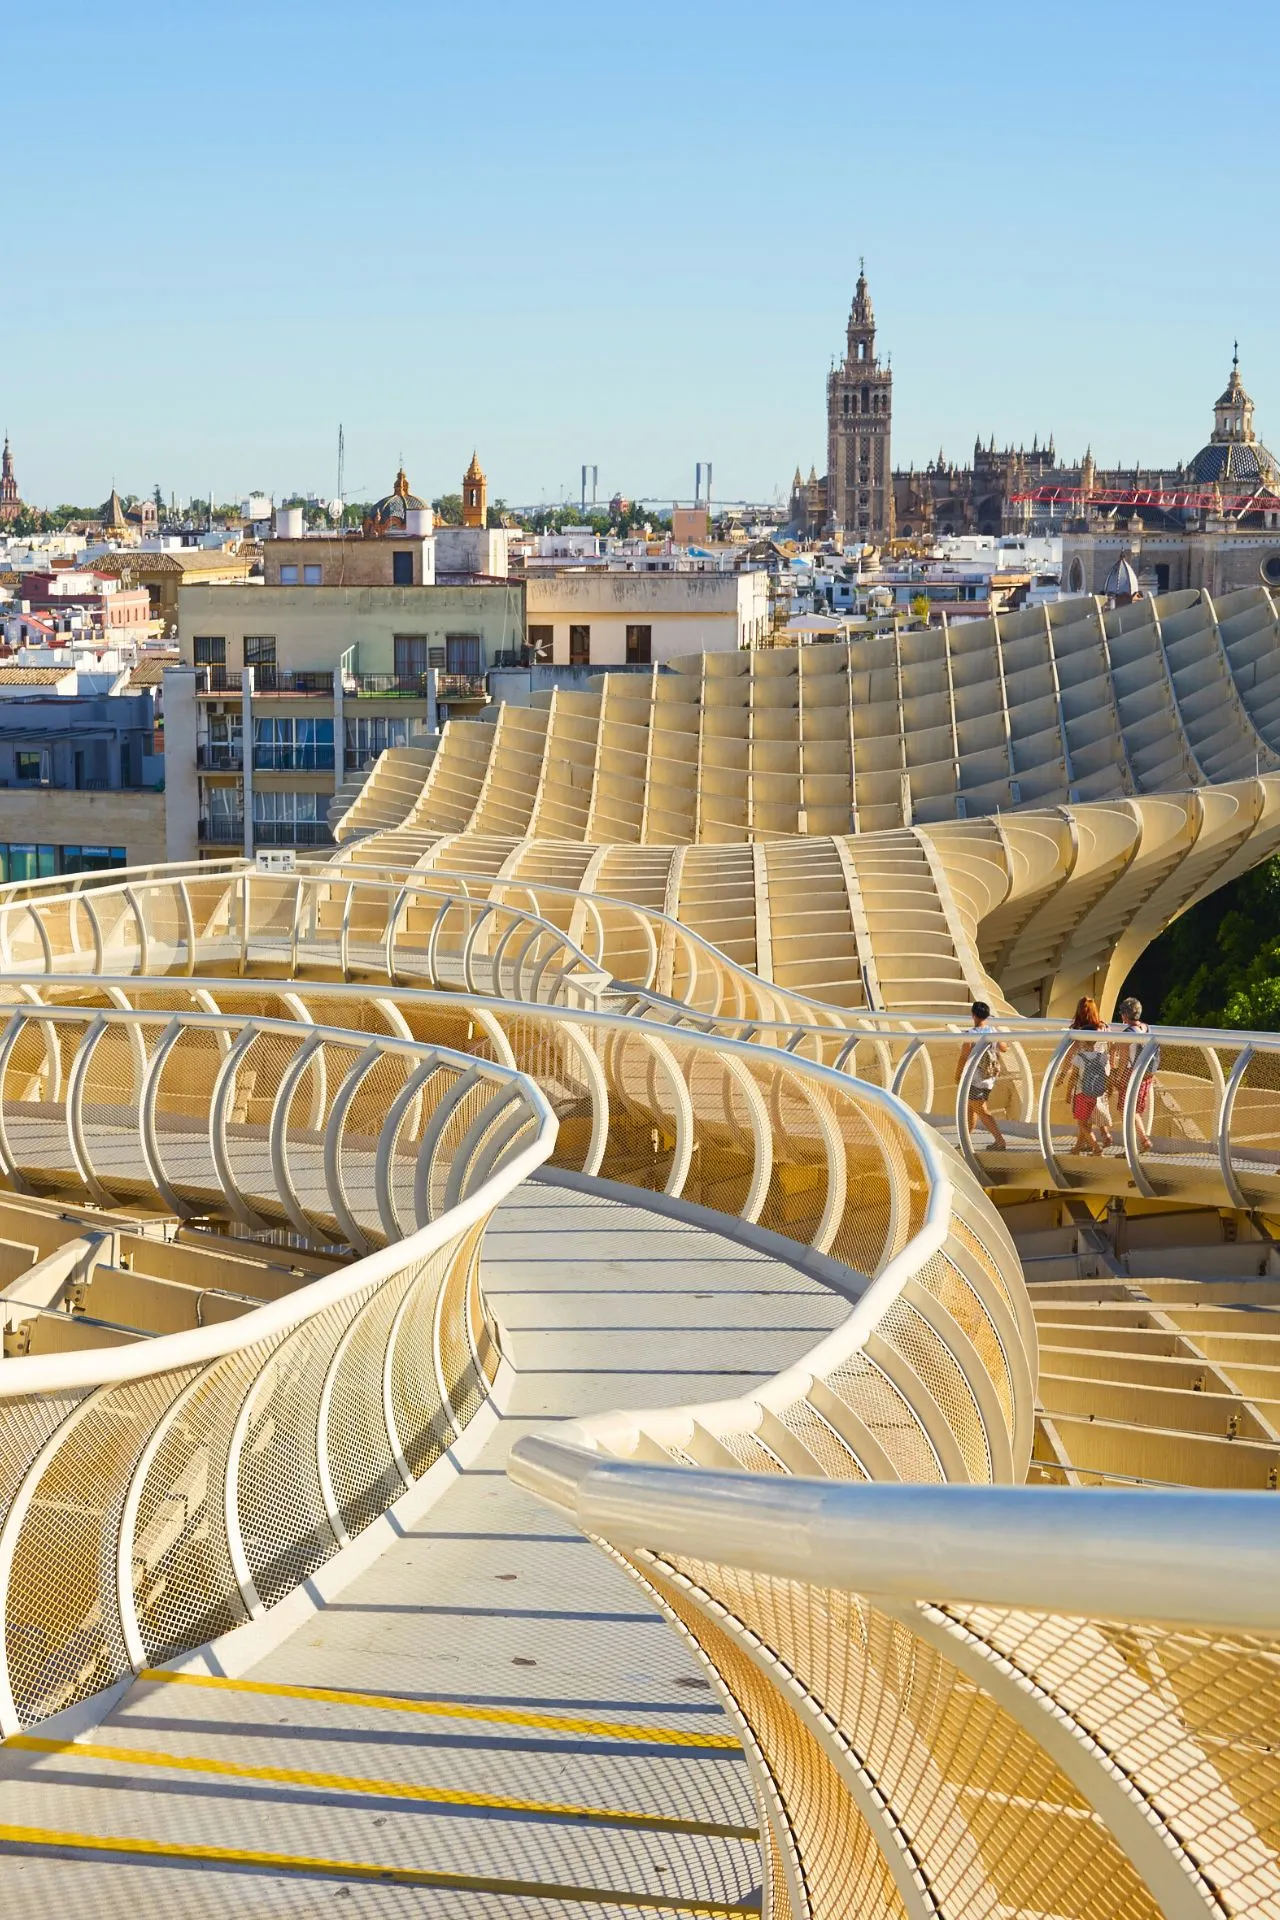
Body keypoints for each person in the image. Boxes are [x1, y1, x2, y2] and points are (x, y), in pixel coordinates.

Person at [957, 1000, 1007, 1150]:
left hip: (974, 1079)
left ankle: (1000, 1141)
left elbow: (964, 1057)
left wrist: (958, 1075)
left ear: (973, 1015)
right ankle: (964, 1142)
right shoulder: (992, 1033)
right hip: (989, 1078)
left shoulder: (970, 1035)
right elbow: (1004, 1048)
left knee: (980, 1109)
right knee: (971, 1109)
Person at [1111, 995, 1158, 1153]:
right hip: (1147, 1075)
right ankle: (1142, 1141)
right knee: (1134, 1110)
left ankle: (1140, 1143)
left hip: (1133, 1075)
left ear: (1124, 1015)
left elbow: (1124, 1062)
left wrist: (1117, 1078)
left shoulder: (1128, 1034)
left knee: (1126, 1111)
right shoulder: (1147, 1028)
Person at [1067, 995, 1112, 1154]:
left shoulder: (1077, 1030)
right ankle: (1102, 1134)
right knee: (1098, 1104)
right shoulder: (1104, 1027)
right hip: (1101, 1071)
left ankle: (1090, 1144)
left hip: (1083, 1073)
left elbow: (1070, 1052)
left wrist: (1063, 1074)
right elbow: (1109, 1047)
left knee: (1083, 1111)